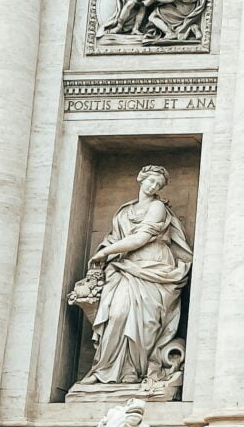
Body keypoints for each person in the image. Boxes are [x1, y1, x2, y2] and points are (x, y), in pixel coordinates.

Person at [75, 165, 192, 389]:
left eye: (158, 185)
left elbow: (140, 239)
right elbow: (114, 238)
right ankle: (103, 369)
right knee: (117, 313)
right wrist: (106, 251)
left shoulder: (158, 207)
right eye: (151, 181)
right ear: (141, 178)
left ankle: (133, 371)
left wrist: (104, 253)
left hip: (154, 268)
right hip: (125, 267)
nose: (153, 186)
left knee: (146, 322)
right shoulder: (124, 211)